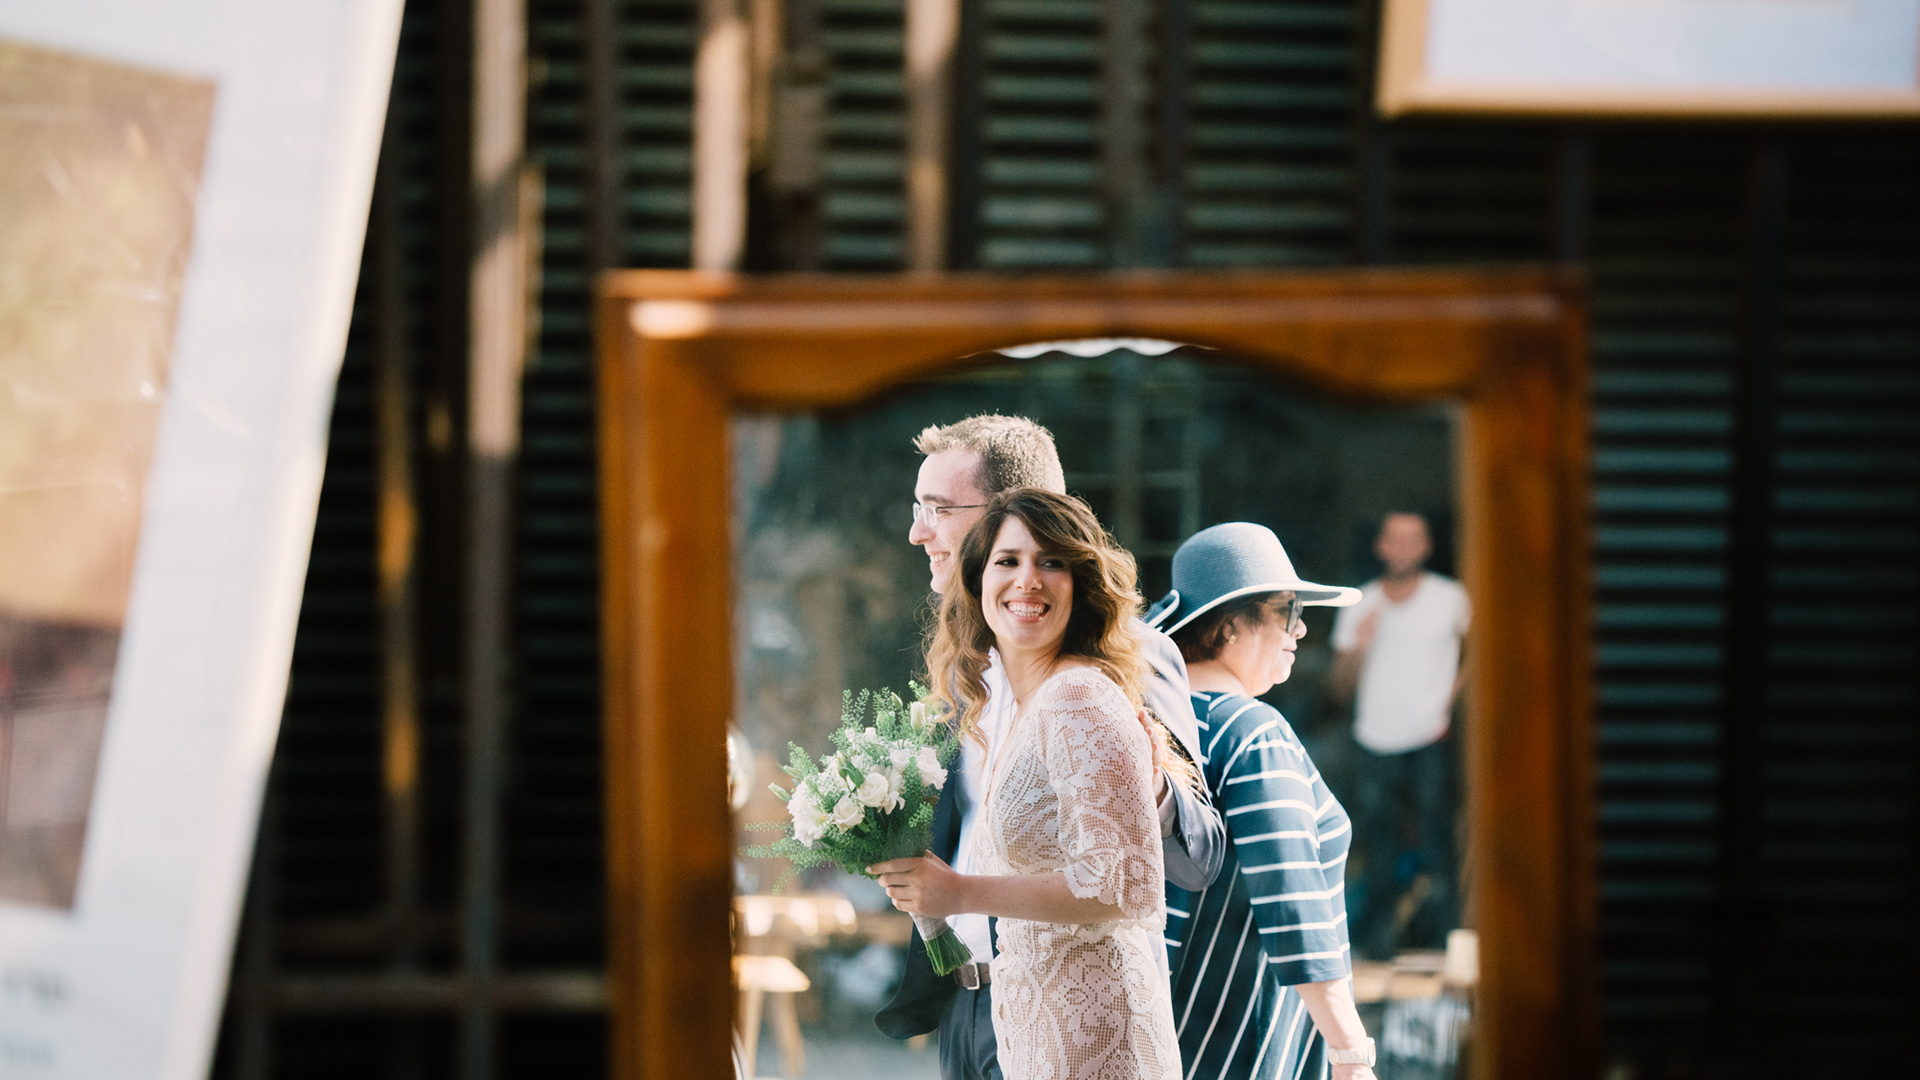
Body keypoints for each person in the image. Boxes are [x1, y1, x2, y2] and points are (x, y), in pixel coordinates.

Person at [873, 415, 1224, 1080]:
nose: (919, 531)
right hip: (973, 1000)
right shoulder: (965, 665)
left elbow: (1195, 854)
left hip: (1081, 1009)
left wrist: (1146, 783)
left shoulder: (1120, 662)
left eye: (938, 509)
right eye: (918, 508)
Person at [1147, 522, 1379, 1080]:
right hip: (1241, 1036)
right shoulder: (1251, 731)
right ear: (1229, 625)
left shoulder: (1152, 721)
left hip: (1160, 1025)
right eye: (1287, 611)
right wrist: (1350, 1051)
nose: (1301, 629)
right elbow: (1291, 897)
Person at [1329, 512, 1469, 956]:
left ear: (1427, 547)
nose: (1404, 548)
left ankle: (1443, 943)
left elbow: (1484, 648)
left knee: (1438, 842)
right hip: (1375, 738)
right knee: (1378, 845)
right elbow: (1337, 689)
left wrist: (1453, 694)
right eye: (1396, 539)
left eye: (1414, 540)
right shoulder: (1360, 602)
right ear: (1381, 547)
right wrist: (1359, 647)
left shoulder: (1452, 598)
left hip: (1432, 735)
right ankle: (1379, 944)